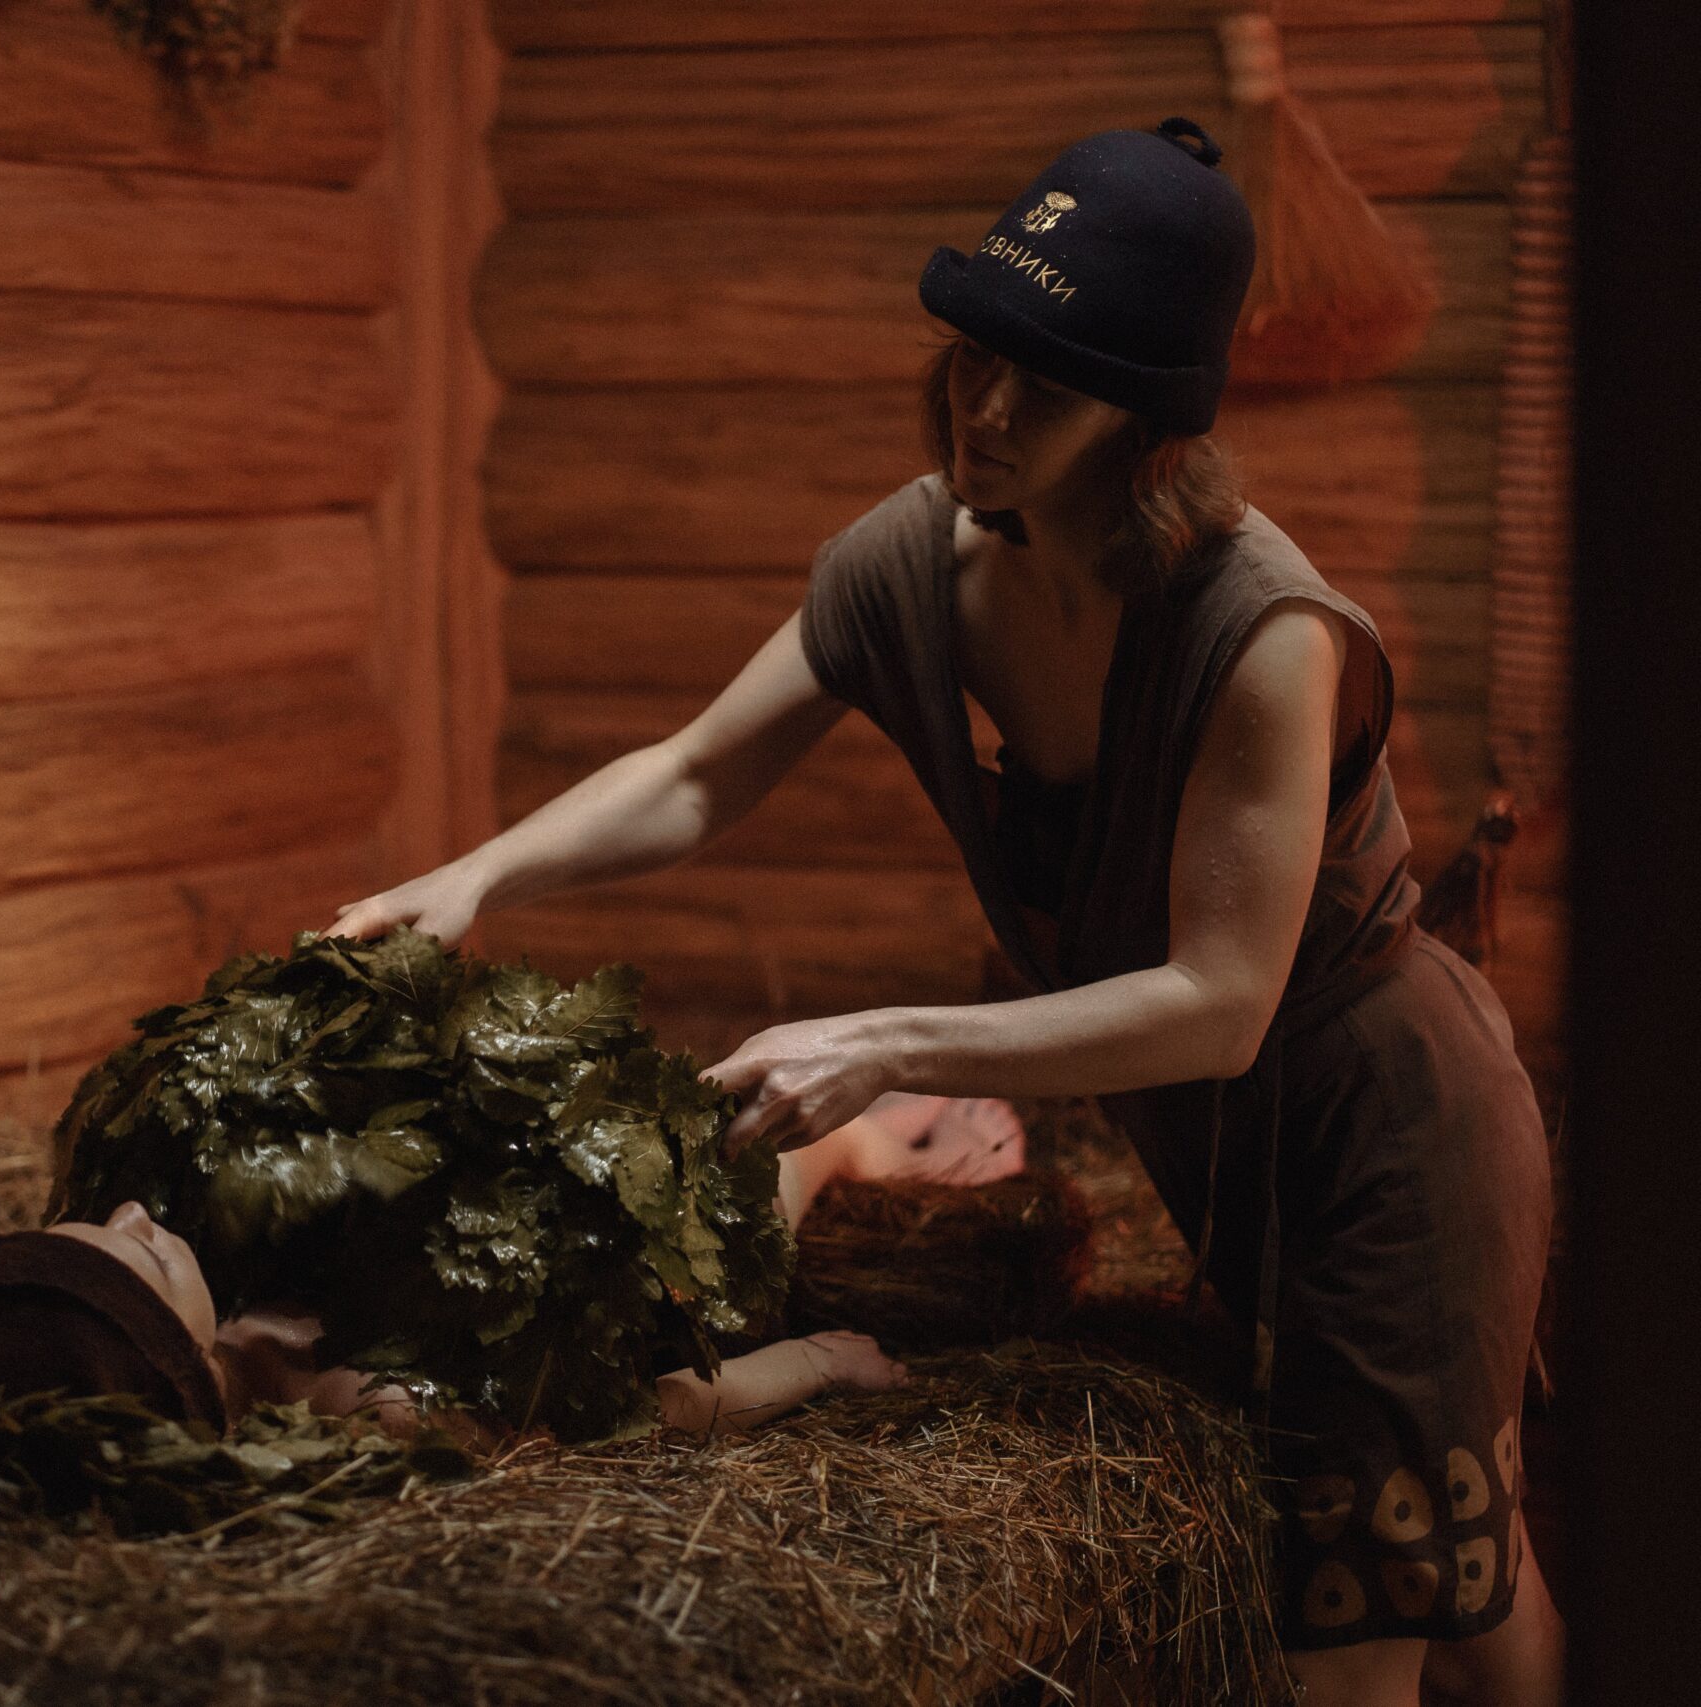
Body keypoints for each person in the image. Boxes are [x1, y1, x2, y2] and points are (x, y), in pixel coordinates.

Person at [326, 118, 1558, 1705]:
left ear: (1150, 422)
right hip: (1221, 1137)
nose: (983, 405)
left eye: (1044, 381)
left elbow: (1223, 996)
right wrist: (476, 872)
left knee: (1368, 1605)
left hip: (1388, 1126)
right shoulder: (913, 561)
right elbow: (700, 769)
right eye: (972, 352)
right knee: (1463, 1553)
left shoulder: (1265, 636)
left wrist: (885, 1041)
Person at [0, 1111, 941, 1442]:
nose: (137, 1214)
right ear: (169, 1353)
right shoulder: (373, 1402)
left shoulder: (219, 1297)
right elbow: (639, 1408)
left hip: (574, 1216)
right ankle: (914, 1139)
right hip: (660, 1294)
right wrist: (814, 1361)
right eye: (138, 1249)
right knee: (792, 1150)